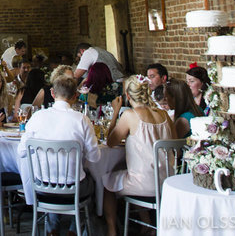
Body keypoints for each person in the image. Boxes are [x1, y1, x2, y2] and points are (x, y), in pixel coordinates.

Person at [17, 74, 101, 234]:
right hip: (74, 188)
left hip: (42, 187)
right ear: (75, 96)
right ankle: (74, 229)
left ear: (53, 94)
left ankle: (52, 229)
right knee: (93, 183)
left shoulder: (37, 117)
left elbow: (22, 151)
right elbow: (94, 157)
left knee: (52, 181)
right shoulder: (82, 120)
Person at [102, 76, 175, 236]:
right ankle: (147, 224)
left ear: (127, 96)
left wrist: (115, 112)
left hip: (144, 184)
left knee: (107, 181)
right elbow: (174, 143)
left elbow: (110, 142)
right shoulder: (164, 115)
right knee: (127, 172)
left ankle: (112, 230)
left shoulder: (130, 115)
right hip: (167, 182)